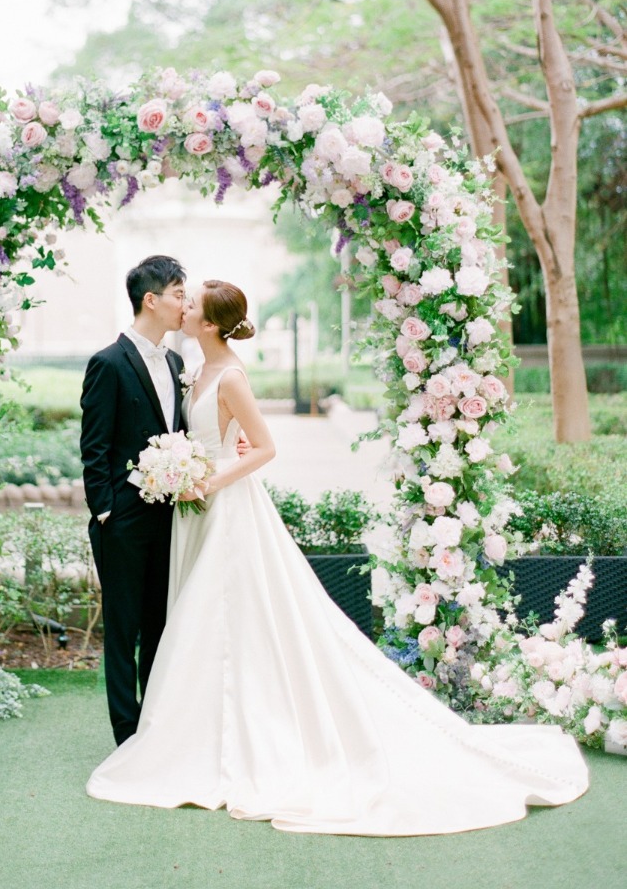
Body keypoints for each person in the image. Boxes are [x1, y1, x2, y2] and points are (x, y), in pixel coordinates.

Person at [86, 279, 589, 835]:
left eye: (192, 304)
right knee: (202, 620)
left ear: (207, 324)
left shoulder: (229, 374)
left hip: (225, 509)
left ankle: (246, 733)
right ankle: (193, 726)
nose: (183, 308)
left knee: (229, 612)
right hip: (196, 515)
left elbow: (265, 447)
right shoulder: (193, 368)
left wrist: (208, 479)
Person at [80, 254, 187, 746]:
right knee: (123, 631)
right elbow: (94, 447)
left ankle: (158, 725)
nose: (184, 304)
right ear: (152, 299)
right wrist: (105, 511)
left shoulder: (176, 361)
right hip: (122, 519)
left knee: (161, 624)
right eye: (179, 294)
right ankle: (127, 735)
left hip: (171, 518)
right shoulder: (108, 362)